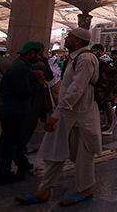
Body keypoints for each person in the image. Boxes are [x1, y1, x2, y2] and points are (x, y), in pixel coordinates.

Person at [16, 28, 100, 207]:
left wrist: (56, 113)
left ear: (77, 41)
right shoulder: (74, 58)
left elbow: (77, 88)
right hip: (68, 115)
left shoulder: (85, 58)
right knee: (55, 151)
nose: (67, 38)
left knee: (83, 155)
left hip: (80, 117)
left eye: (69, 36)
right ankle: (44, 189)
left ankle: (85, 189)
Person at [0, 42, 45, 186]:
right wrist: (38, 82)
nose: (40, 57)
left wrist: (32, 74)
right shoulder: (19, 69)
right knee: (10, 142)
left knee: (16, 140)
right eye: (38, 54)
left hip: (14, 109)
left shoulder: (23, 67)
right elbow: (23, 92)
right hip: (14, 110)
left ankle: (22, 163)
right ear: (31, 53)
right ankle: (3, 174)